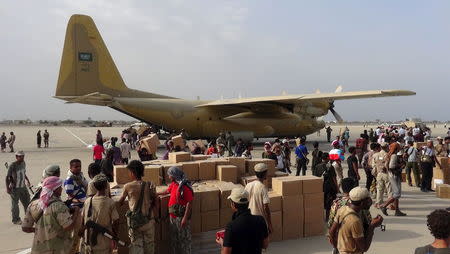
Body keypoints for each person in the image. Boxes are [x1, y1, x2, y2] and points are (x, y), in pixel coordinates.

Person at [22, 176, 80, 254]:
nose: (61, 189)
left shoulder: (33, 204)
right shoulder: (59, 206)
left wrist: (38, 230)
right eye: (60, 187)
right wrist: (76, 211)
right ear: (55, 189)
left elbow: (25, 228)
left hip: (38, 250)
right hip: (58, 250)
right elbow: (68, 227)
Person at [329, 187, 383, 254]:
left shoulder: (343, 209)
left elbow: (331, 232)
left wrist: (336, 247)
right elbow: (364, 248)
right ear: (362, 203)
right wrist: (372, 226)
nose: (370, 201)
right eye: (368, 200)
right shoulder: (355, 221)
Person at [118, 160, 157, 253]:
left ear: (133, 172)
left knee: (136, 247)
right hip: (148, 220)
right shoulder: (149, 184)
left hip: (135, 222)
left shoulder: (128, 186)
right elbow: (155, 200)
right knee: (150, 246)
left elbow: (120, 202)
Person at [216, 188, 269, 254]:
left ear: (233, 204)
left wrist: (222, 243)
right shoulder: (260, 220)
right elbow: (265, 245)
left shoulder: (231, 226)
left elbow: (226, 253)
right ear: (248, 203)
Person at [81, 174, 119, 254]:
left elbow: (83, 219)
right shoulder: (110, 202)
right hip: (103, 242)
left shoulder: (88, 201)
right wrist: (115, 235)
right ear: (106, 186)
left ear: (94, 186)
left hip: (88, 240)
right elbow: (116, 221)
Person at [163, 166, 194, 254]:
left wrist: (185, 218)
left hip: (181, 218)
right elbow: (167, 191)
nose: (169, 177)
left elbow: (189, 203)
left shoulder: (184, 187)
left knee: (184, 240)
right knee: (175, 239)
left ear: (174, 175)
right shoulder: (174, 184)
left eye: (170, 175)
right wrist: (156, 193)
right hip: (173, 217)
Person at [64, 159, 88, 254]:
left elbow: (86, 186)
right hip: (76, 209)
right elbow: (69, 196)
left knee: (83, 230)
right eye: (76, 167)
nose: (78, 168)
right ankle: (73, 251)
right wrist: (79, 201)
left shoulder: (80, 176)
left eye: (79, 166)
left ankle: (80, 249)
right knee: (76, 232)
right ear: (70, 168)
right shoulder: (69, 180)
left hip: (83, 206)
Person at [379, 143, 407, 216]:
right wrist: (401, 165)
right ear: (396, 148)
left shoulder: (390, 155)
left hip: (392, 175)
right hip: (394, 175)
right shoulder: (394, 155)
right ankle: (384, 206)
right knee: (397, 193)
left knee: (395, 193)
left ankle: (397, 211)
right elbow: (392, 166)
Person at [244, 163, 273, 234]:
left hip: (249, 218)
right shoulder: (263, 187)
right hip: (259, 220)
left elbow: (245, 202)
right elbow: (266, 207)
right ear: (265, 174)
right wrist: (269, 224)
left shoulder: (248, 185)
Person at [6, 151, 31, 225]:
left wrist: (27, 180)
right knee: (15, 205)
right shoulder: (12, 165)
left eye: (23, 156)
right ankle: (16, 219)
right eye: (20, 156)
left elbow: (23, 173)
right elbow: (7, 177)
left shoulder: (23, 163)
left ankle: (28, 217)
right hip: (15, 188)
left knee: (27, 202)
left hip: (23, 186)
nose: (22, 157)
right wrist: (8, 188)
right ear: (16, 157)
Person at [372, 142, 391, 208]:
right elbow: (387, 165)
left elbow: (373, 165)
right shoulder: (387, 155)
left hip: (379, 174)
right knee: (389, 189)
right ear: (386, 147)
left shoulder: (375, 155)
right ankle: (390, 204)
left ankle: (378, 203)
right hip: (386, 174)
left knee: (379, 189)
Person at [320, 152, 338, 221]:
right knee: (329, 204)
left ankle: (321, 217)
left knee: (322, 202)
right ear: (327, 158)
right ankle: (327, 218)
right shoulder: (330, 167)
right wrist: (337, 188)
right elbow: (334, 178)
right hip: (329, 188)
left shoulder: (317, 166)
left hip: (320, 188)